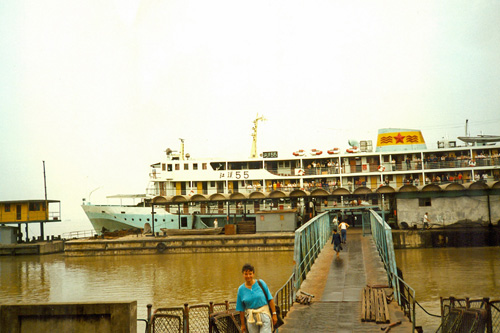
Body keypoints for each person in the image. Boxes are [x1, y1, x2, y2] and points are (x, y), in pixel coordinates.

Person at [237, 263, 278, 333]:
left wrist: (274, 314)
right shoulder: (241, 289)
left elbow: (270, 299)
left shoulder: (261, 283)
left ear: (253, 274)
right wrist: (243, 324)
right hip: (251, 318)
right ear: (243, 275)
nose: (248, 276)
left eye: (250, 273)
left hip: (264, 315)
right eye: (246, 274)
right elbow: (241, 309)